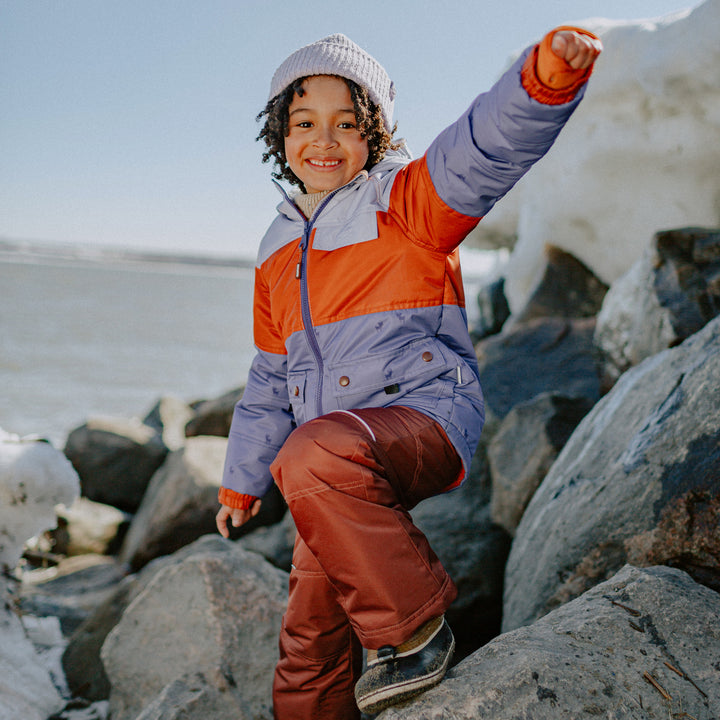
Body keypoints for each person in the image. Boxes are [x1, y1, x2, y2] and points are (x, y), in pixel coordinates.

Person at [216, 26, 602, 719]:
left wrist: (541, 82)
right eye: (304, 123)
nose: (323, 141)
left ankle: (415, 629)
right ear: (280, 135)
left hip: (421, 418)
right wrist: (242, 480)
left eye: (345, 124)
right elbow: (271, 375)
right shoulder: (276, 246)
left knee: (313, 453)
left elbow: (482, 149)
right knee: (309, 623)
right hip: (328, 465)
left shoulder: (407, 204)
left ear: (376, 132)